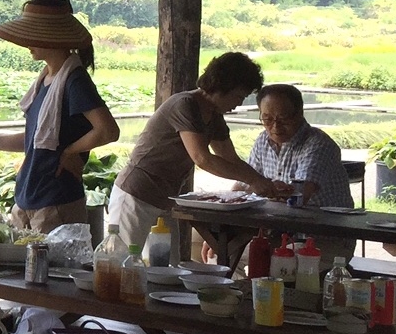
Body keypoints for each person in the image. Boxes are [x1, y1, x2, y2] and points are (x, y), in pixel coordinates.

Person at [0, 0, 120, 232]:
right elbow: (33, 141)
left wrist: (70, 151)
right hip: (28, 198)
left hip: (56, 202)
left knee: (50, 269)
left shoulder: (74, 81)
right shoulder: (46, 80)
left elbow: (108, 131)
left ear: (51, 37)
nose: (27, 43)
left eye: (32, 35)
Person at [110, 52, 284, 247]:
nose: (239, 104)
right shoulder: (185, 105)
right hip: (136, 195)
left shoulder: (214, 115)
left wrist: (264, 183)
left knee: (167, 270)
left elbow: (230, 158)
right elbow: (202, 158)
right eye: (238, 96)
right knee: (120, 263)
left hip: (165, 200)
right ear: (222, 86)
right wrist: (253, 180)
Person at [242, 84, 353, 209]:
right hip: (282, 219)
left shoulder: (318, 144)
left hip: (325, 222)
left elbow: (299, 196)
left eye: (283, 118)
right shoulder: (263, 140)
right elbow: (242, 186)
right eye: (267, 119)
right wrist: (257, 185)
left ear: (300, 113)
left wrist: (263, 188)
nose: (275, 126)